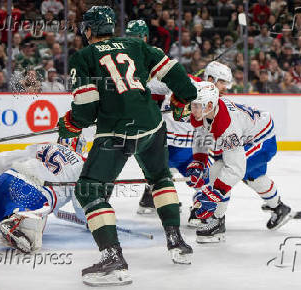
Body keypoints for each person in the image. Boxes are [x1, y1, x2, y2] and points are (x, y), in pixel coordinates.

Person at [57, 6, 196, 286]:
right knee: (160, 179)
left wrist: (70, 123)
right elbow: (180, 78)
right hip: (152, 126)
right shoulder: (137, 45)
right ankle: (176, 242)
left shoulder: (83, 57)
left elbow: (85, 109)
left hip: (116, 132)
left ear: (89, 30)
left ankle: (113, 258)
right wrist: (182, 101)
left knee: (89, 189)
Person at [185, 80, 292, 243]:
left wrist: (214, 195)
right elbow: (202, 134)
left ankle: (216, 222)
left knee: (222, 172)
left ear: (209, 106)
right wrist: (199, 161)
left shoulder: (227, 126)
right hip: (249, 133)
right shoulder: (205, 113)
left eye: (198, 105)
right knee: (252, 177)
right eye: (193, 104)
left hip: (261, 140)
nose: (194, 109)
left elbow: (235, 169)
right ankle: (279, 207)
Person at [125, 19, 195, 215]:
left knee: (161, 157)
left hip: (153, 113)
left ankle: (151, 197)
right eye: (131, 37)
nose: (134, 41)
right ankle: (156, 197)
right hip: (141, 114)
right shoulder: (128, 55)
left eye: (137, 37)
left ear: (145, 37)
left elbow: (166, 81)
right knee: (157, 158)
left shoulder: (153, 55)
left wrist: (179, 83)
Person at [0, 142, 85, 253]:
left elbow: (13, 157)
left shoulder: (47, 145)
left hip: (7, 178)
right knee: (31, 241)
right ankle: (16, 221)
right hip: (33, 194)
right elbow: (81, 204)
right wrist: (91, 220)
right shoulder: (83, 166)